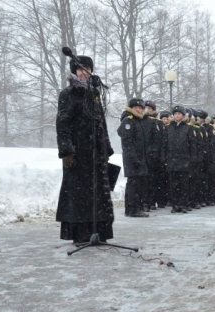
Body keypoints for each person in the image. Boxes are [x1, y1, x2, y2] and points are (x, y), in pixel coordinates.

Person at [56, 55, 115, 243]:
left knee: (98, 195)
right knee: (79, 195)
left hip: (96, 152)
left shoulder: (95, 93)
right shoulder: (68, 94)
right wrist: (66, 150)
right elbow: (62, 123)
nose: (83, 73)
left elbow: (101, 122)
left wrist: (106, 147)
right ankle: (81, 234)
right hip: (78, 152)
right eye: (80, 69)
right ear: (74, 71)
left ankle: (100, 233)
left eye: (87, 69)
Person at [117, 97, 149, 218]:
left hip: (138, 157)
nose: (139, 110)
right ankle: (134, 208)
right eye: (136, 107)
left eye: (141, 108)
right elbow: (127, 142)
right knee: (134, 184)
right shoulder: (129, 120)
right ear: (132, 108)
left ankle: (132, 208)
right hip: (133, 158)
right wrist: (134, 158)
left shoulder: (137, 120)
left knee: (135, 183)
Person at [164, 105, 192, 214]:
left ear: (183, 115)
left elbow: (192, 145)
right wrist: (165, 157)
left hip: (184, 160)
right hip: (172, 160)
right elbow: (164, 144)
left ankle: (183, 205)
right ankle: (175, 205)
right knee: (173, 185)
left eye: (179, 114)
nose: (177, 115)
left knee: (184, 184)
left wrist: (191, 159)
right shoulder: (168, 128)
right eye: (175, 114)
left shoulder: (188, 128)